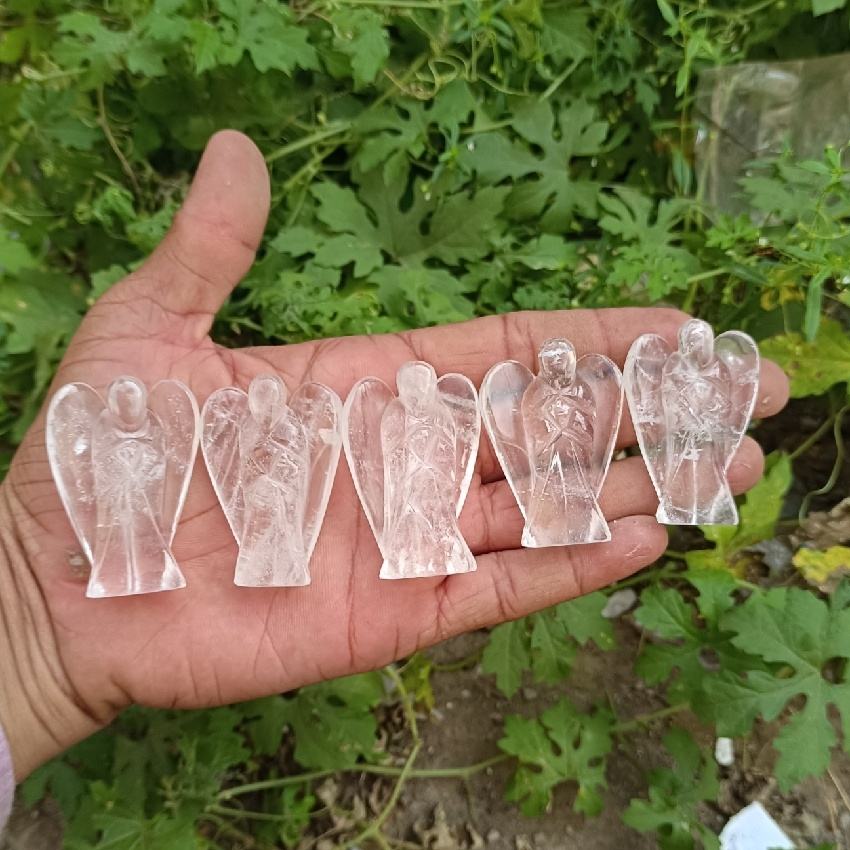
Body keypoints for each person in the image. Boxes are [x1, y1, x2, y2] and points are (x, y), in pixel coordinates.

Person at [0, 131, 789, 829]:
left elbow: (493, 438)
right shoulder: (256, 427)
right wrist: (26, 623)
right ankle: (162, 560)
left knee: (466, 497)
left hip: (444, 479)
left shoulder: (478, 410)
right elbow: (268, 463)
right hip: (221, 502)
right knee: (259, 516)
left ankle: (619, 498)